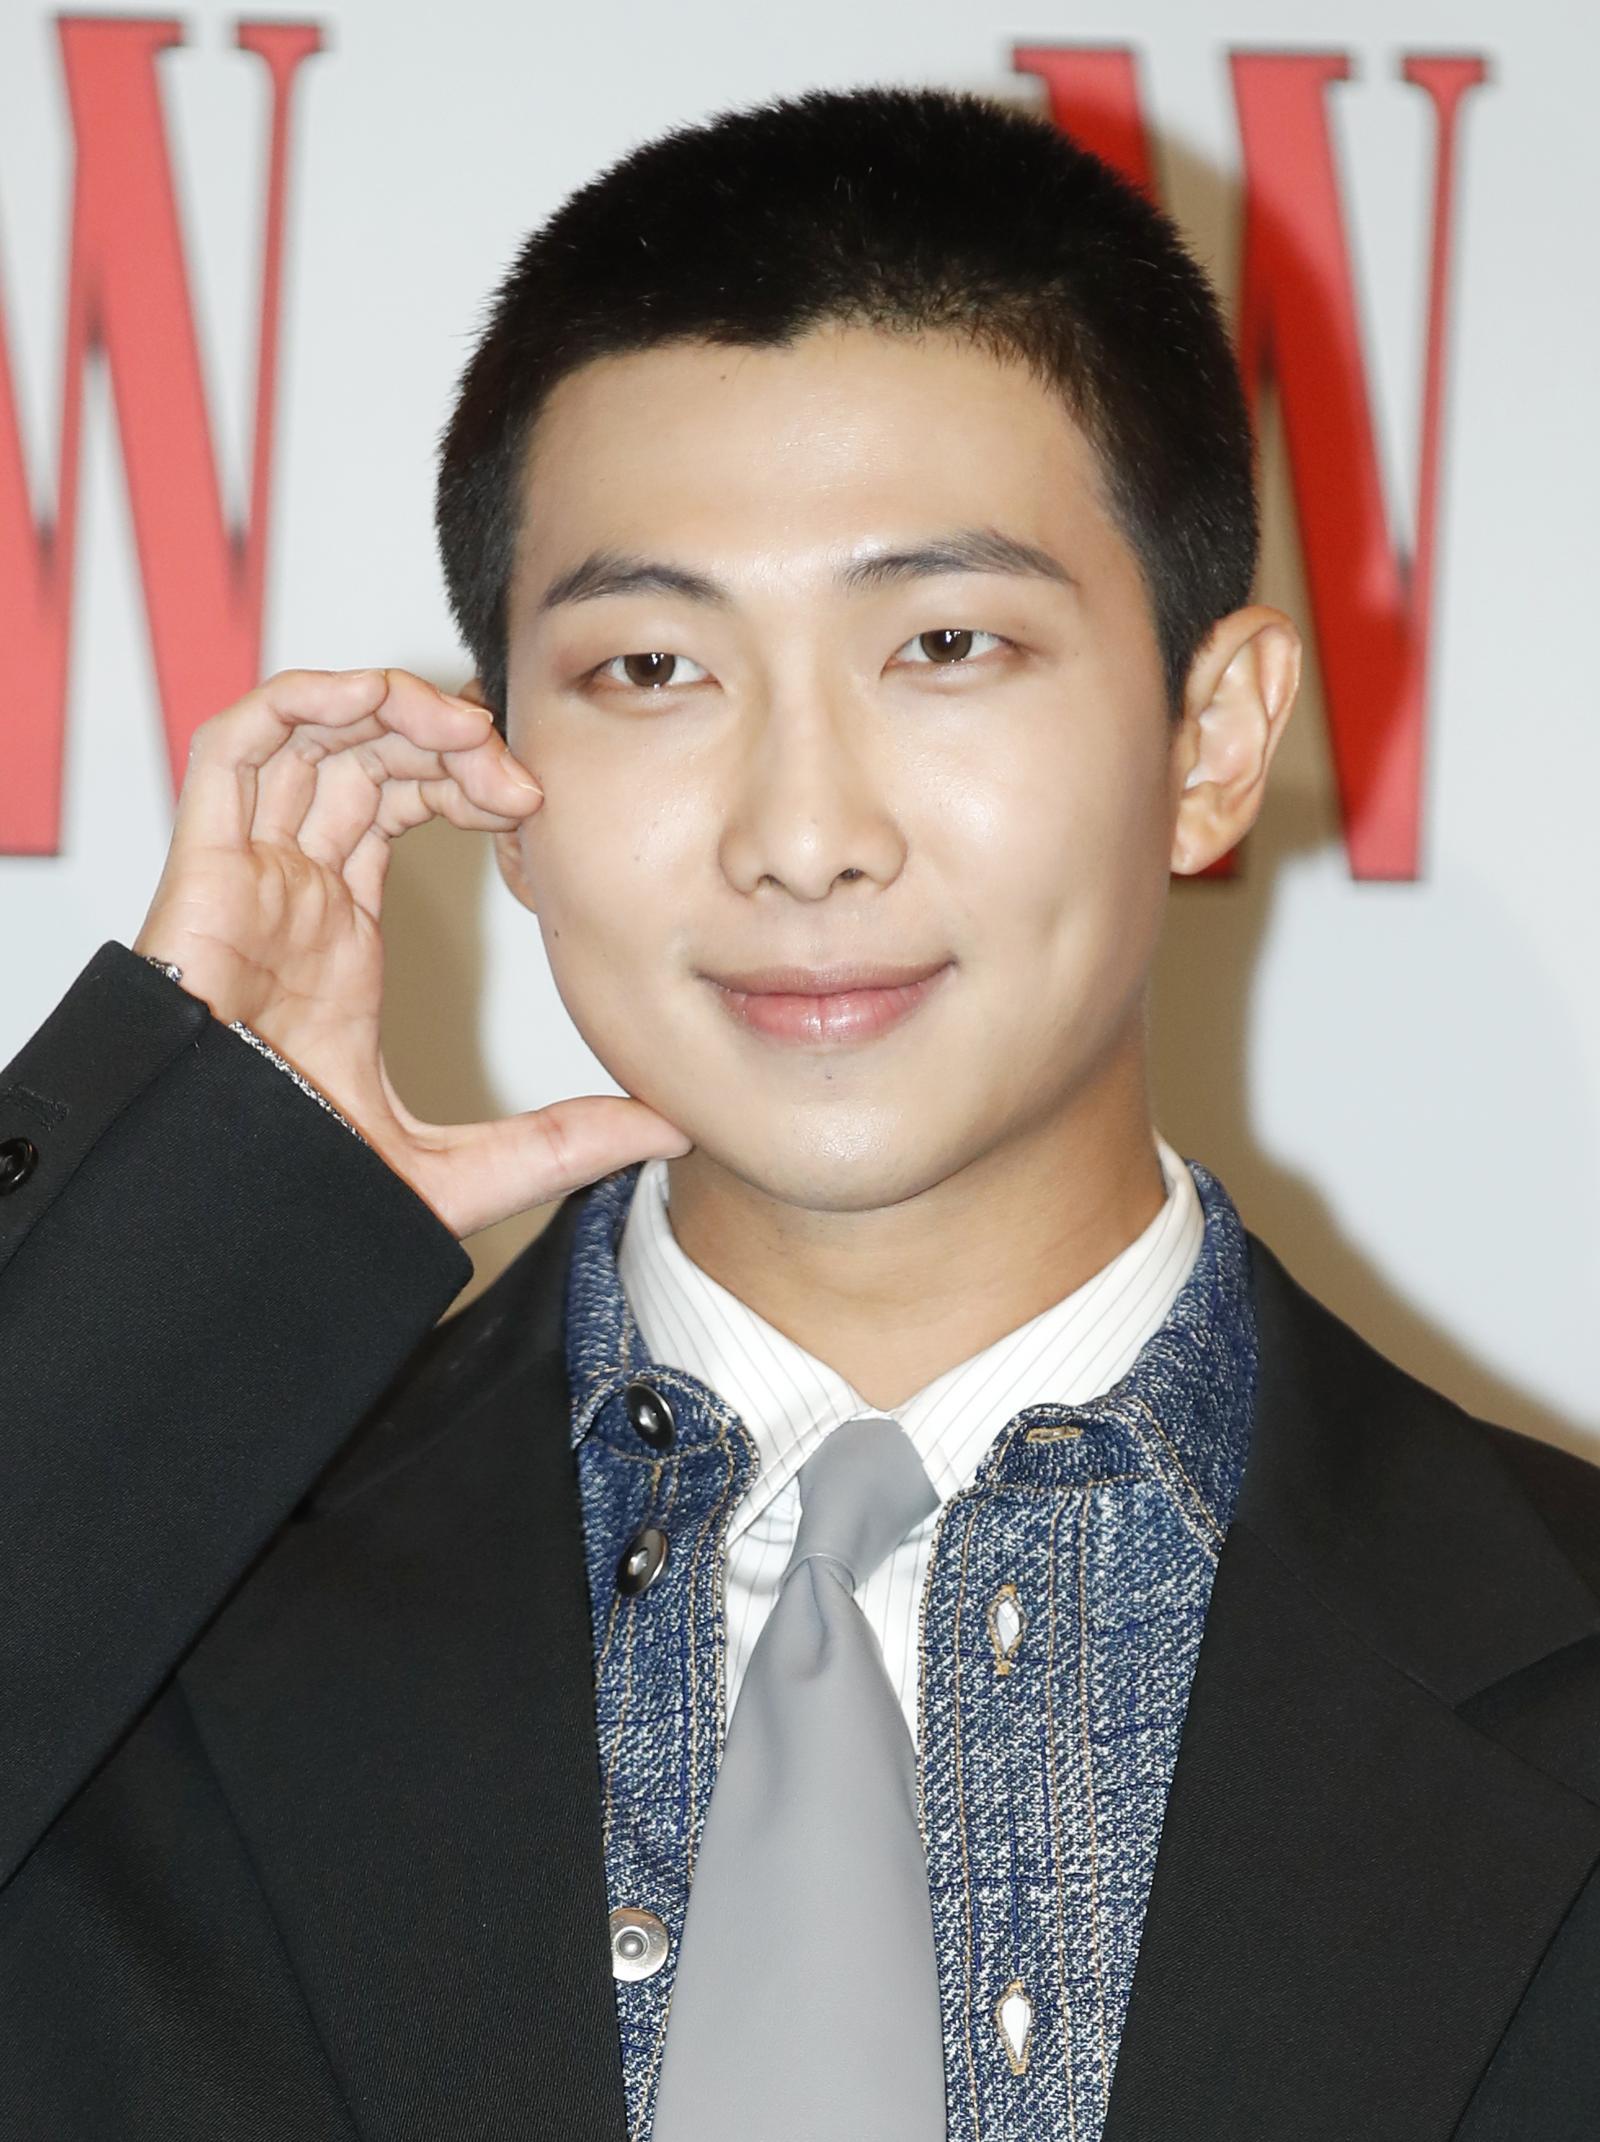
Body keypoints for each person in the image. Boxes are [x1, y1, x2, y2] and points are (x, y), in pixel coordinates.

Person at [2, 81, 1596, 2142]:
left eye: (944, 642)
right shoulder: (130, 1581)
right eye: (652, 671)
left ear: (1208, 739)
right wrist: (156, 1223)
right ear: (499, 780)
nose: (800, 831)